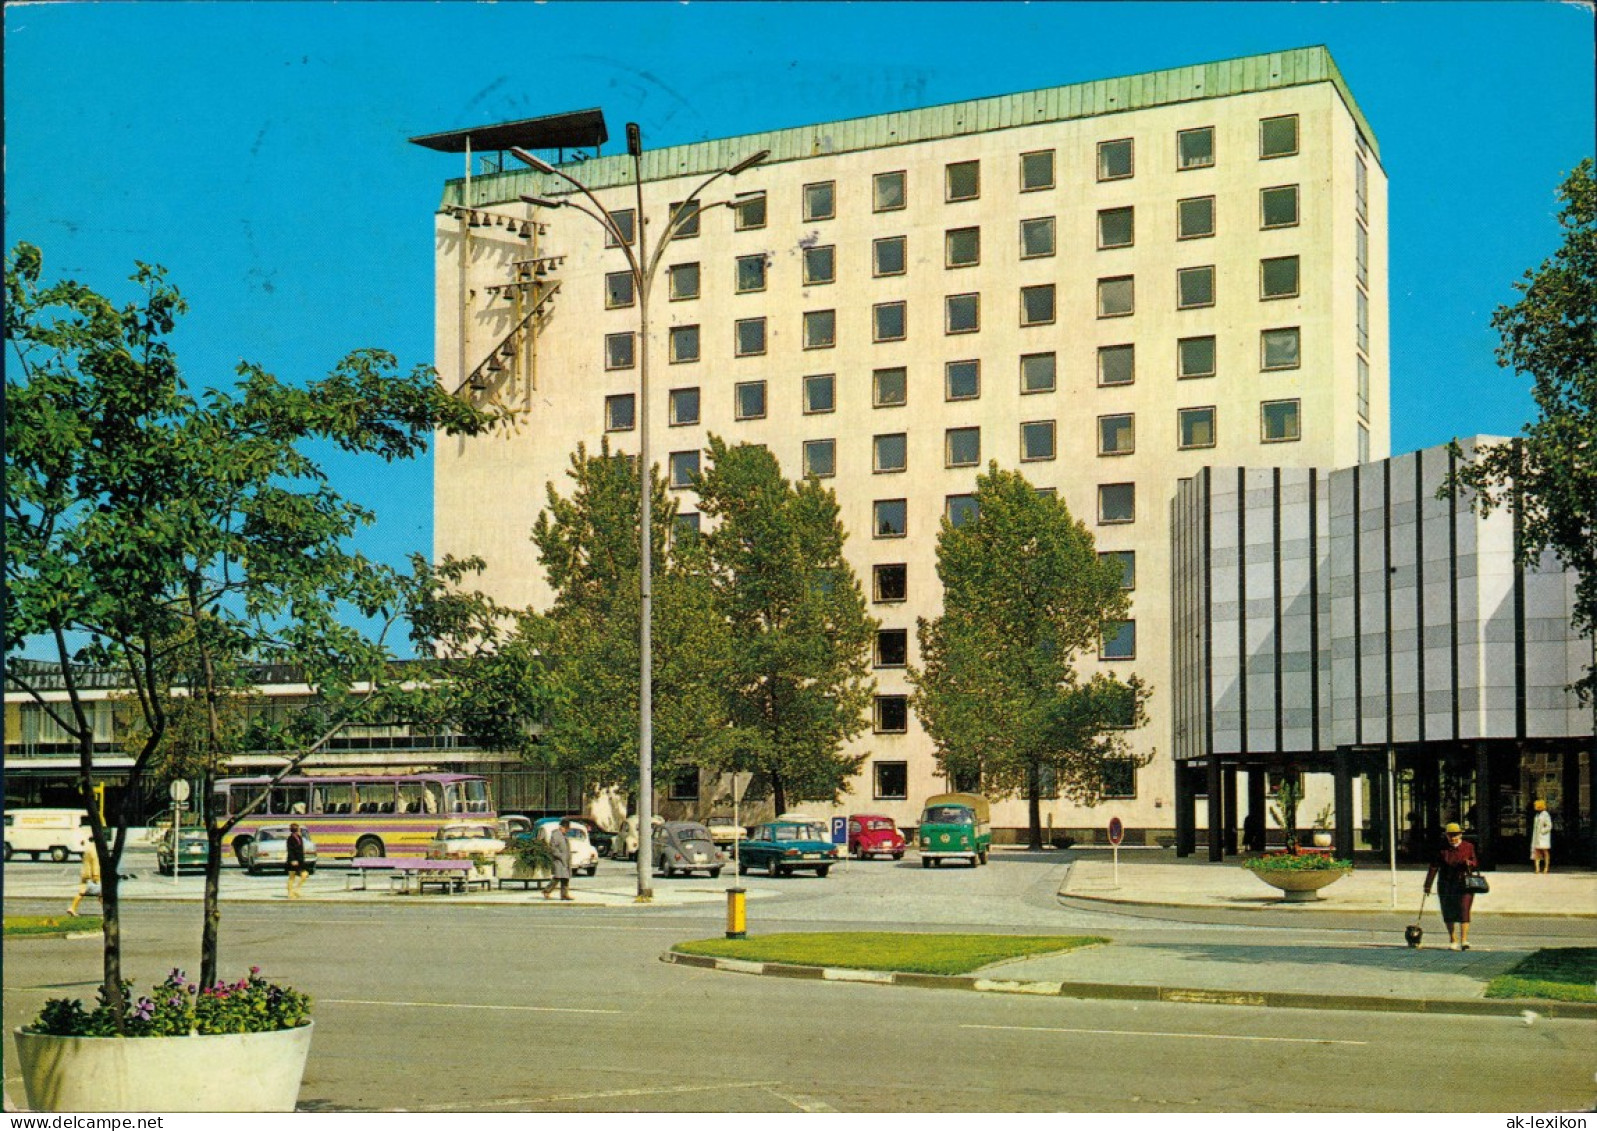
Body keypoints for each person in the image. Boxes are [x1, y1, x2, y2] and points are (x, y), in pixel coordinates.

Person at [1423, 822, 1480, 951]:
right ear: (1446, 836)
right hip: (1446, 884)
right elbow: (1433, 867)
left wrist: (1470, 863)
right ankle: (1453, 939)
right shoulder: (1441, 849)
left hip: (1464, 884)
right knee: (1448, 911)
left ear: (1461, 834)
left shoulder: (1468, 846)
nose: (1453, 838)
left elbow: (1475, 862)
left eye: (1456, 835)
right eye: (1450, 835)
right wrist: (1427, 885)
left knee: (1464, 910)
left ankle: (1464, 940)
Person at [67, 842, 101, 918]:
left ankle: (72, 908)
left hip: (85, 874)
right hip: (92, 876)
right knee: (102, 893)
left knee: (81, 893)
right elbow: (95, 864)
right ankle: (107, 912)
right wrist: (96, 876)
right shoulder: (95, 851)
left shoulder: (88, 849)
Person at [544, 818, 573, 901]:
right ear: (561, 827)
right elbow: (553, 848)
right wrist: (560, 856)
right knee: (557, 877)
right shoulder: (556, 835)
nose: (567, 830)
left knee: (565, 878)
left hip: (565, 860)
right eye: (566, 828)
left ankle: (564, 895)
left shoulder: (563, 835)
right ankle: (546, 891)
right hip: (559, 861)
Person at [285, 822, 307, 899]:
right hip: (293, 861)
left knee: (304, 875)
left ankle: (297, 890)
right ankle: (290, 893)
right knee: (292, 877)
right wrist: (293, 860)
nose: (299, 830)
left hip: (300, 861)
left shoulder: (299, 838)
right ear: (296, 830)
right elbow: (290, 850)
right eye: (298, 829)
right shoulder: (290, 839)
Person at [1530, 800, 1553, 874]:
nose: (1535, 807)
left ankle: (1546, 868)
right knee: (1537, 852)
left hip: (1543, 837)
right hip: (1537, 836)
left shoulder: (1545, 814)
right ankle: (1537, 868)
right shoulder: (1537, 815)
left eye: (1536, 805)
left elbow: (1549, 826)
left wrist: (1542, 831)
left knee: (1545, 852)